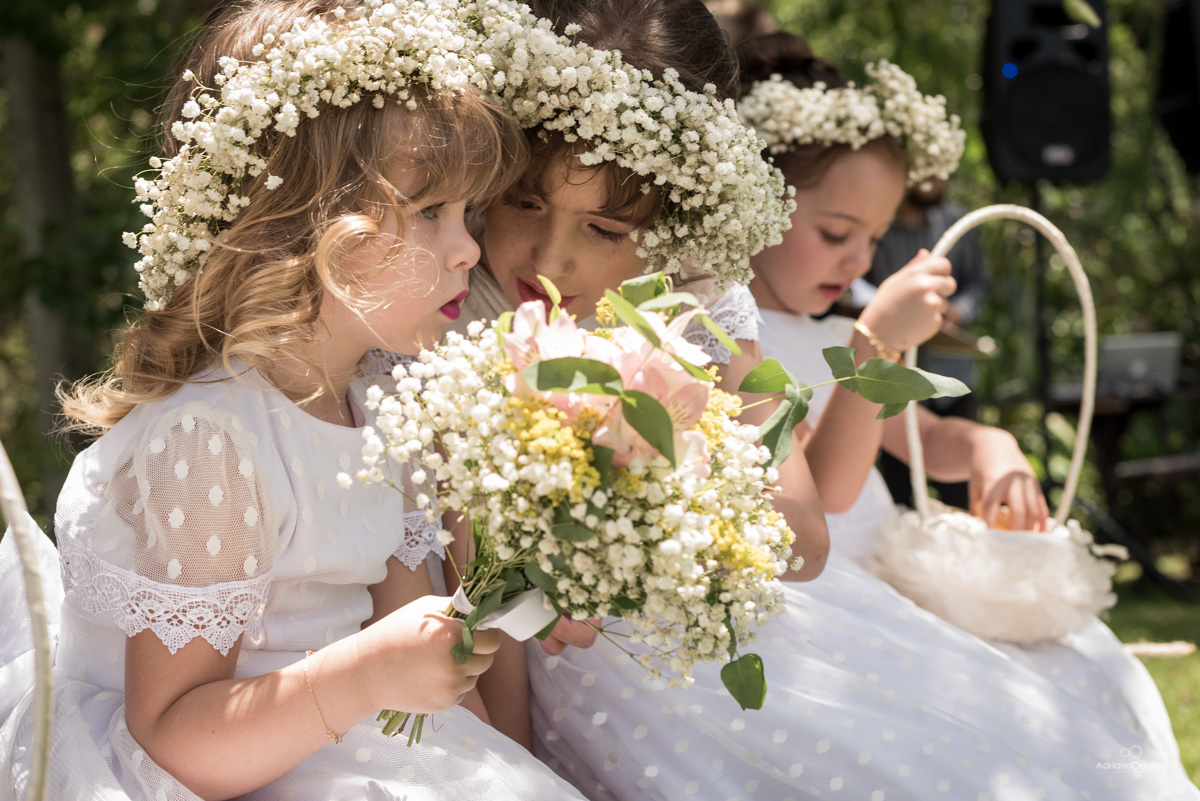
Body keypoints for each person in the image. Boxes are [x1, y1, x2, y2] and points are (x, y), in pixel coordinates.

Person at [475, 17, 1199, 799]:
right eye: (836, 232)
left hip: (740, 612)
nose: (552, 261)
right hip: (598, 666)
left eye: (608, 226)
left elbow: (809, 522)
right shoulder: (462, 308)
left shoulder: (709, 313)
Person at [0, 2, 590, 799]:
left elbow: (415, 636)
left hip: (354, 738)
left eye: (468, 213)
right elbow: (172, 735)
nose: (469, 251)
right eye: (430, 213)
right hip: (224, 758)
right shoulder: (213, 436)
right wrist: (365, 674)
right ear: (309, 222)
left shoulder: (375, 401)